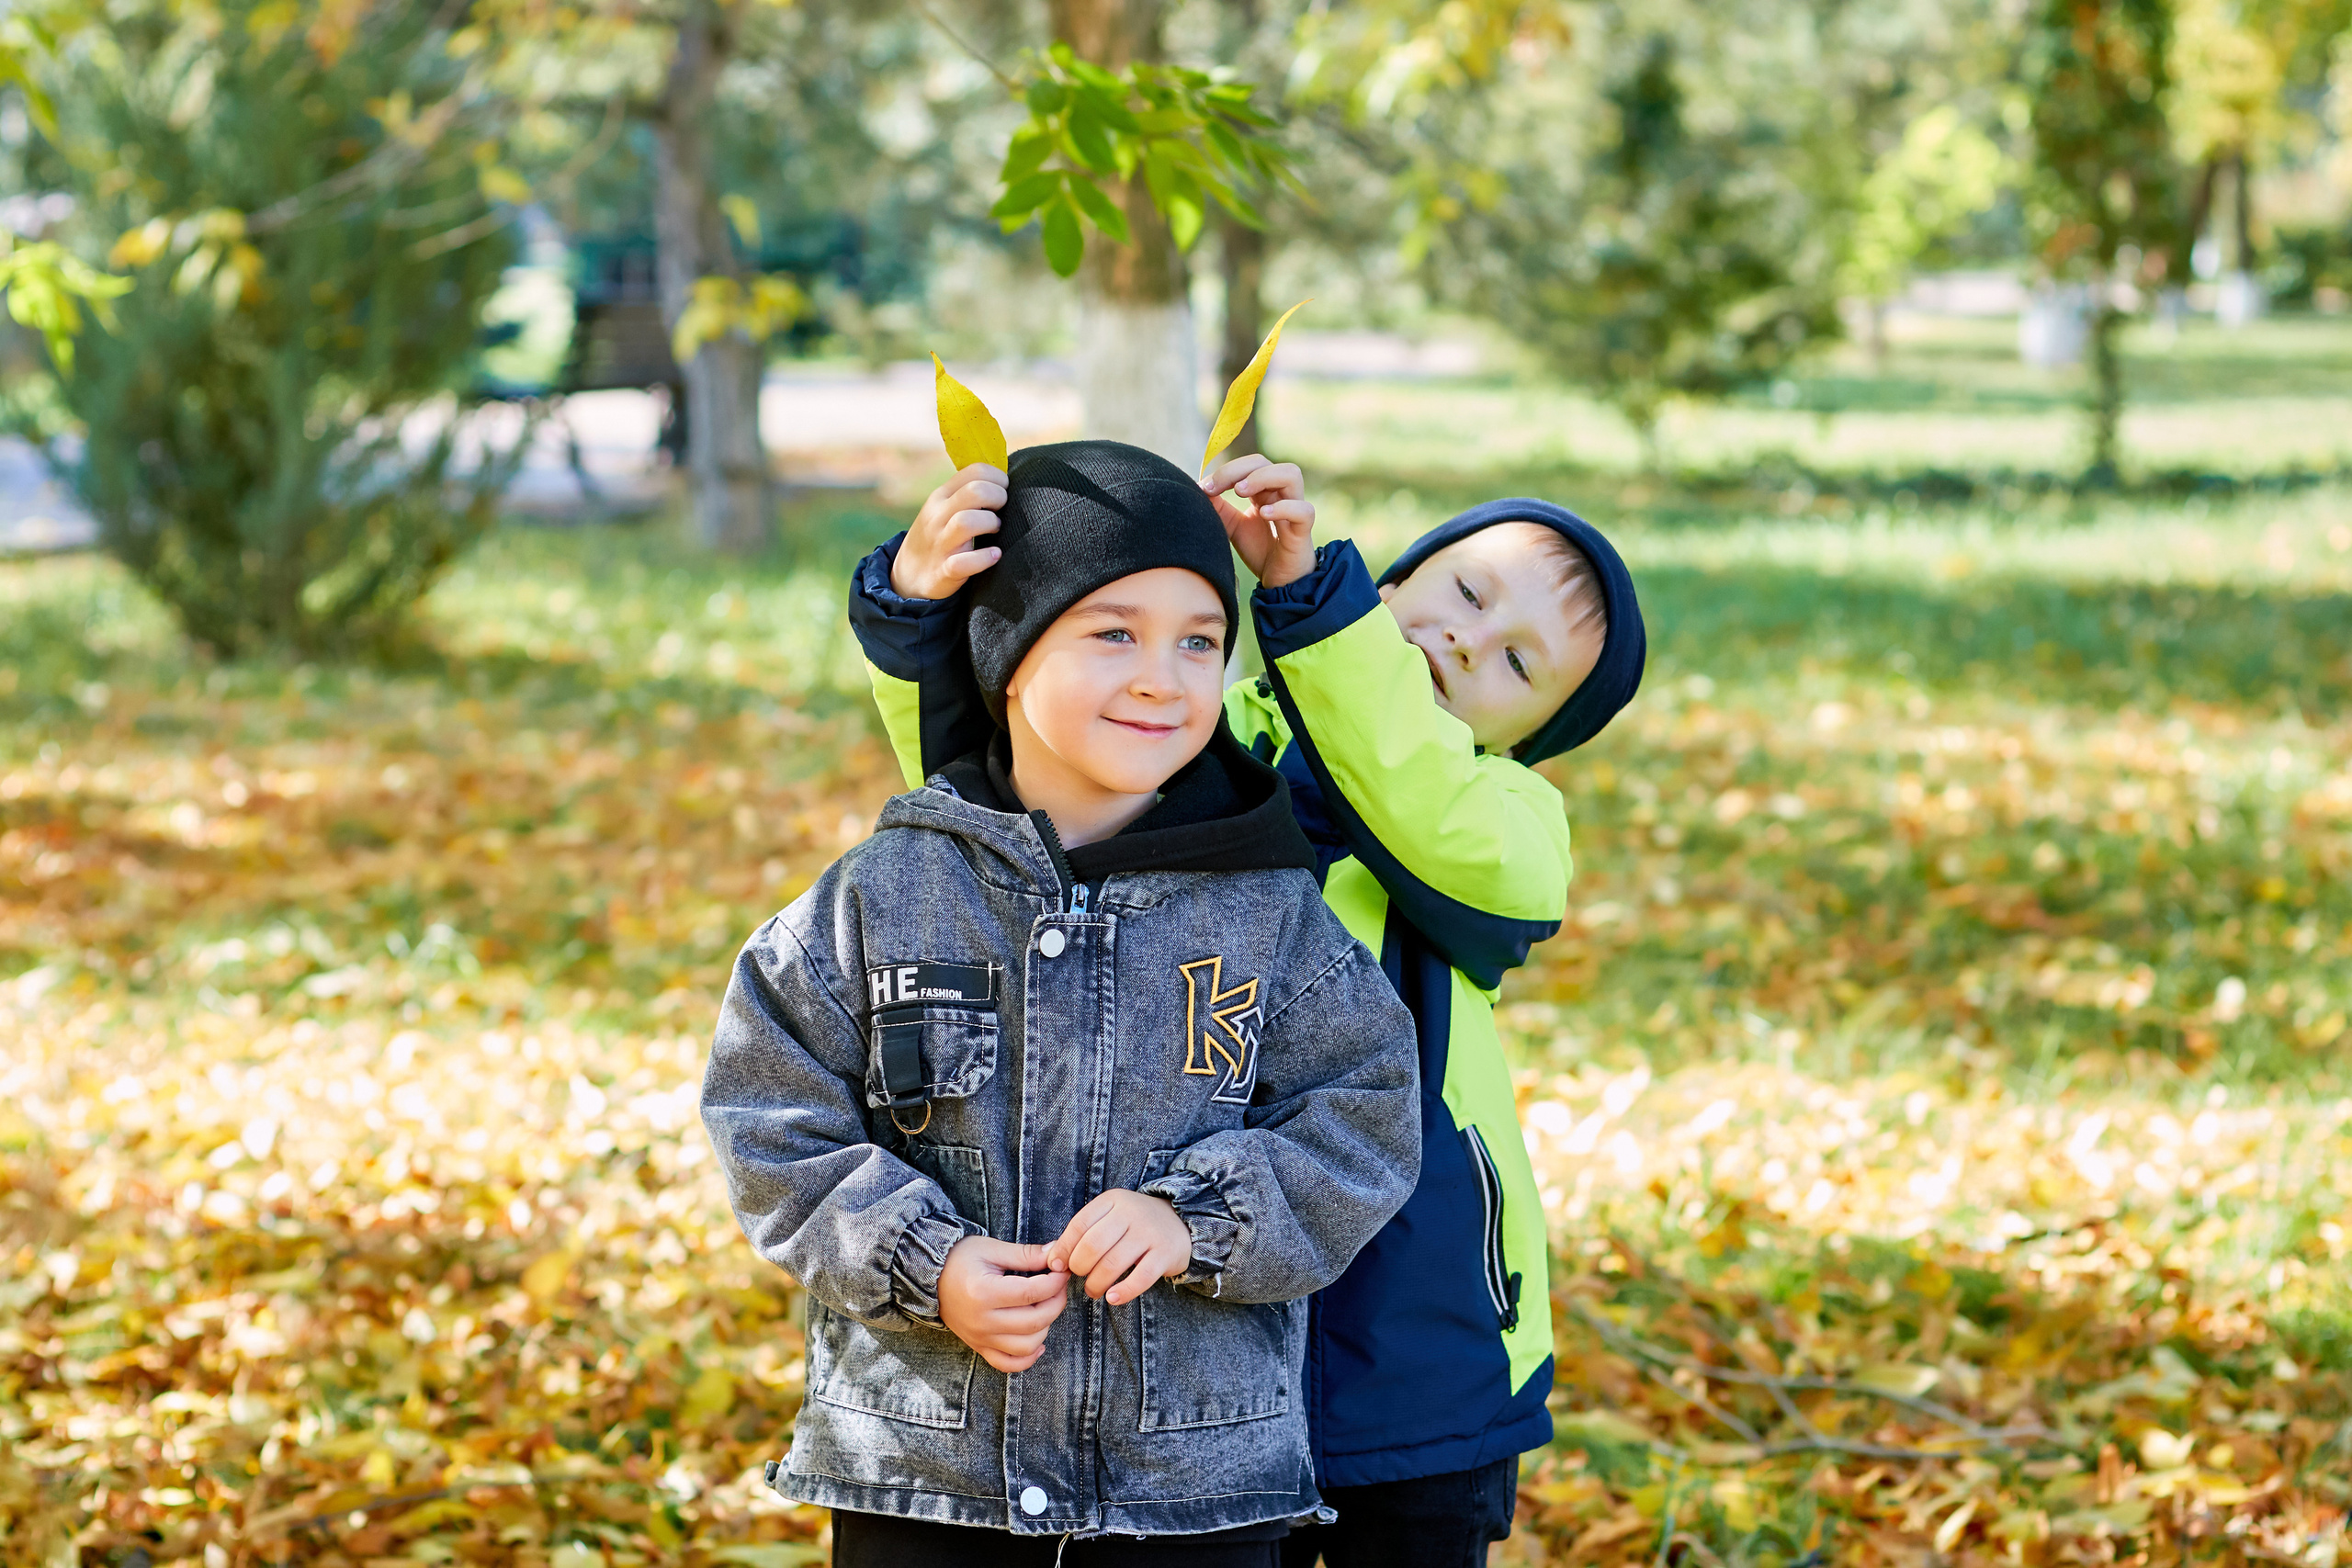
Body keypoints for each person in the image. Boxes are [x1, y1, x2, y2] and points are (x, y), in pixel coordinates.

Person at [850, 450, 1646, 1568]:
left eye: (1517, 663)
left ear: (1531, 739)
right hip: (1188, 1315)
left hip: (1405, 1335)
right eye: (1465, 595)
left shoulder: (1506, 825)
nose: (1468, 642)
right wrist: (919, 623)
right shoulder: (1209, 740)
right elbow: (1008, 780)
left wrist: (1318, 618)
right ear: (1400, 580)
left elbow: (1414, 795)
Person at [703, 438, 1423, 1566]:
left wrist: (1198, 1219)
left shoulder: (1268, 912)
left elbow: (1363, 1117)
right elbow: (769, 1110)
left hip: (1188, 1491)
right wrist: (922, 1258)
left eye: (1199, 642)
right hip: (925, 1483)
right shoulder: (887, 893)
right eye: (1112, 633)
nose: (1162, 676)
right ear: (1008, 654)